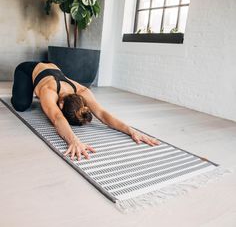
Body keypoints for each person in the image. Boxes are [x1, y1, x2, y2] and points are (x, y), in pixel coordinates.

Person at [11, 61, 160, 161]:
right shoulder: (48, 90)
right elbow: (57, 117)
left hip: (52, 68)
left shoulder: (82, 90)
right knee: (21, 105)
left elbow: (101, 113)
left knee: (44, 103)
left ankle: (43, 100)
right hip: (27, 69)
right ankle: (29, 88)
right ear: (61, 105)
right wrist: (74, 140)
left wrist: (131, 130)